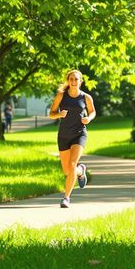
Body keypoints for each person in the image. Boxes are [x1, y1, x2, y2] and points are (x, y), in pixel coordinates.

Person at [48, 69, 96, 208]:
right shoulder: (61, 96)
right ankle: (81, 171)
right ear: (68, 81)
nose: (74, 82)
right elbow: (51, 113)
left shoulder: (86, 97)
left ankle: (66, 198)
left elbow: (92, 111)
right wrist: (59, 115)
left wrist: (89, 118)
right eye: (71, 79)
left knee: (72, 165)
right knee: (67, 171)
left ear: (81, 81)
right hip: (63, 135)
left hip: (79, 134)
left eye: (76, 79)